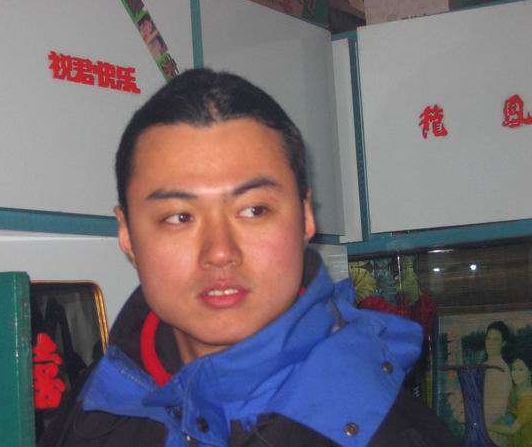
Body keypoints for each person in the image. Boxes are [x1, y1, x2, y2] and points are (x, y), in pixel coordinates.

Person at [39, 68, 458, 447]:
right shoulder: (96, 405)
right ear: (127, 235)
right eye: (179, 217)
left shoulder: (393, 435)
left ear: (305, 217)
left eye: (254, 210)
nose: (220, 252)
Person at [488, 355, 532, 447]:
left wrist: (488, 426)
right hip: (514, 441)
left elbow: (512, 430)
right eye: (513, 369)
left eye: (520, 370)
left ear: (530, 372)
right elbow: (510, 414)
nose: (515, 373)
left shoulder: (529, 400)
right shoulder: (514, 391)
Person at [483, 321, 512, 446]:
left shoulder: (502, 370)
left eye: (495, 340)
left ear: (503, 343)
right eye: (488, 338)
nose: (490, 343)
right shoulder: (482, 366)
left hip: (493, 433)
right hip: (480, 429)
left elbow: (499, 410)